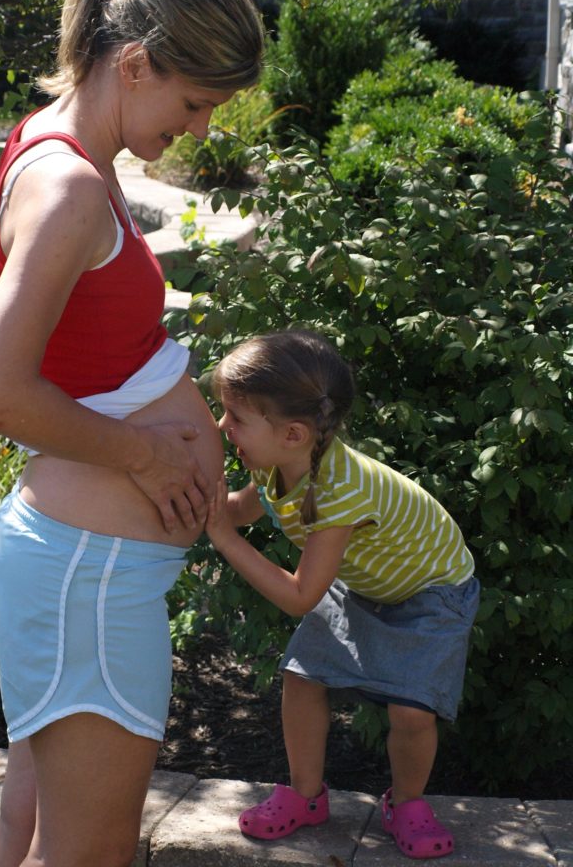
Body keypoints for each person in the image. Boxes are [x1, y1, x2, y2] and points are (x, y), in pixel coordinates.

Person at [0, 0, 264, 867]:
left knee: (31, 835)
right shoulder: (72, 188)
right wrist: (143, 450)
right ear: (134, 64)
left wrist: (131, 393)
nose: (202, 129)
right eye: (196, 103)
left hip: (75, 566)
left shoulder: (46, 147)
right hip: (87, 574)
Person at [205, 329, 479, 860]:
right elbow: (236, 509)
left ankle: (407, 803)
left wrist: (221, 537)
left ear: (293, 434)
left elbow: (300, 596)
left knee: (412, 711)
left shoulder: (339, 490)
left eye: (235, 417)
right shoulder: (276, 464)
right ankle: (307, 797)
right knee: (302, 677)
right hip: (366, 582)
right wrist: (202, 506)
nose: (222, 425)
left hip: (432, 591)